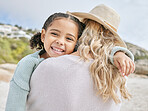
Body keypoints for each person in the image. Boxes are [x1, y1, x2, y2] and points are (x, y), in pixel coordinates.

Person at [5, 11, 134, 111]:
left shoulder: (74, 52)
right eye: (55, 34)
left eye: (69, 39)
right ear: (43, 35)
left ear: (77, 42)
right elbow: (16, 100)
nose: (60, 42)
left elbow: (99, 50)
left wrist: (118, 53)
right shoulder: (29, 63)